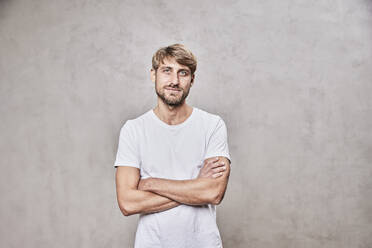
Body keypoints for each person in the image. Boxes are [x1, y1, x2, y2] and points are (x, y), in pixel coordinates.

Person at [114, 44, 232, 248]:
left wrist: (151, 183)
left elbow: (213, 193)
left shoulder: (212, 125)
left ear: (192, 80)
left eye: (183, 73)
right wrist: (196, 185)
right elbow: (127, 202)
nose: (174, 81)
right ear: (153, 75)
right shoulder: (133, 129)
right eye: (167, 71)